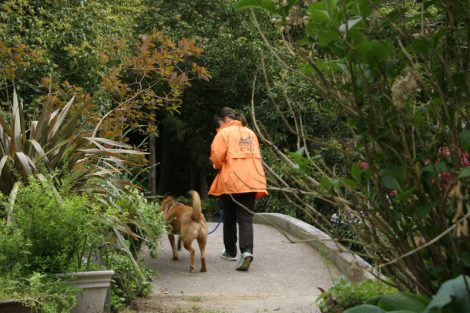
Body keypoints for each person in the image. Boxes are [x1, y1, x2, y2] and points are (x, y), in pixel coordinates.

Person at [209, 107, 268, 271]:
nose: (219, 128)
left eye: (219, 124)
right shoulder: (250, 133)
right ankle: (247, 252)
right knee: (246, 218)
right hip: (252, 180)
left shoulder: (223, 134)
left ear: (224, 120)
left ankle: (230, 251)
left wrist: (218, 165)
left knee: (229, 216)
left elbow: (216, 159)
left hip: (232, 181)